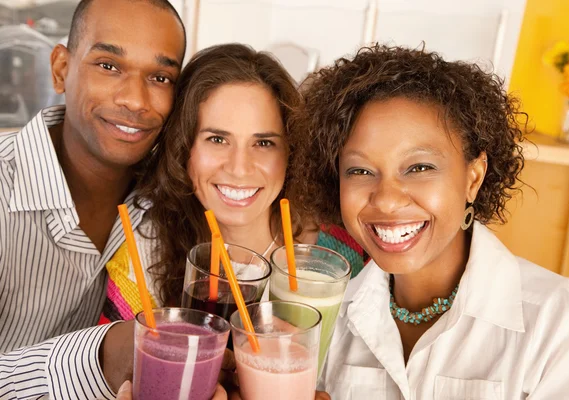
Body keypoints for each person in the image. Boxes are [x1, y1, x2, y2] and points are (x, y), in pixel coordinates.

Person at [288, 44, 569, 399]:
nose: (387, 199)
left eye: (419, 168)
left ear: (473, 177)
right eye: (360, 170)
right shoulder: (330, 318)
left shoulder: (561, 320)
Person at [0, 0, 189, 398]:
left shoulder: (170, 201)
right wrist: (98, 357)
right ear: (60, 69)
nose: (136, 100)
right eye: (108, 66)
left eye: (160, 77)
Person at [100, 43, 367, 322]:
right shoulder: (146, 253)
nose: (239, 169)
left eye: (263, 143)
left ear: (291, 150)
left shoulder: (343, 248)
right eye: (217, 140)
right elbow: (118, 361)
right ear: (183, 147)